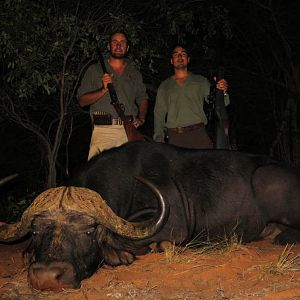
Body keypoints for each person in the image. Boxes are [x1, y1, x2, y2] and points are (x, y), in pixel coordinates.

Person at [77, 31, 148, 160]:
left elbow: (143, 98)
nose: (118, 45)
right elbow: (82, 101)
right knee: (99, 177)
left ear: (127, 48)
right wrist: (103, 89)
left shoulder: (134, 73)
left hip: (129, 132)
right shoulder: (94, 70)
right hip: (103, 132)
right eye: (115, 42)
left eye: (122, 42)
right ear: (109, 46)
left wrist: (141, 118)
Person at [153, 44, 229, 149]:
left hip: (198, 135)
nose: (180, 57)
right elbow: (159, 114)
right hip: (175, 138)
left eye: (183, 54)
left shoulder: (200, 81)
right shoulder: (164, 86)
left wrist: (222, 91)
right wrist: (158, 140)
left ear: (188, 59)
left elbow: (220, 104)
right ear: (171, 61)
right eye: (176, 55)